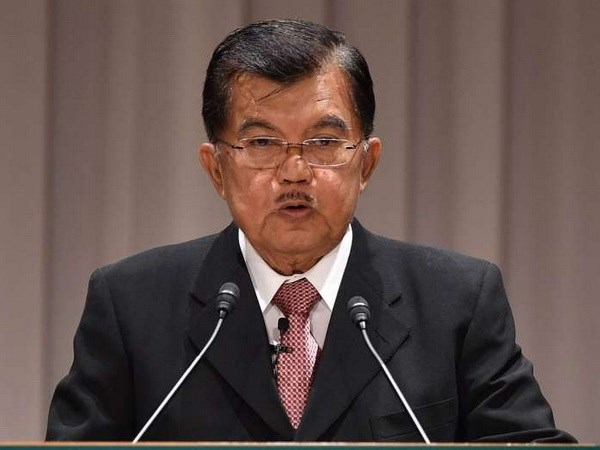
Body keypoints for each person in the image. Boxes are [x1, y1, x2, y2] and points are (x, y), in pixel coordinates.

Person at [46, 19, 575, 443]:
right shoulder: (131, 305)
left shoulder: (457, 301)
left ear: (366, 163)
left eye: (323, 142)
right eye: (262, 143)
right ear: (216, 169)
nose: (295, 172)